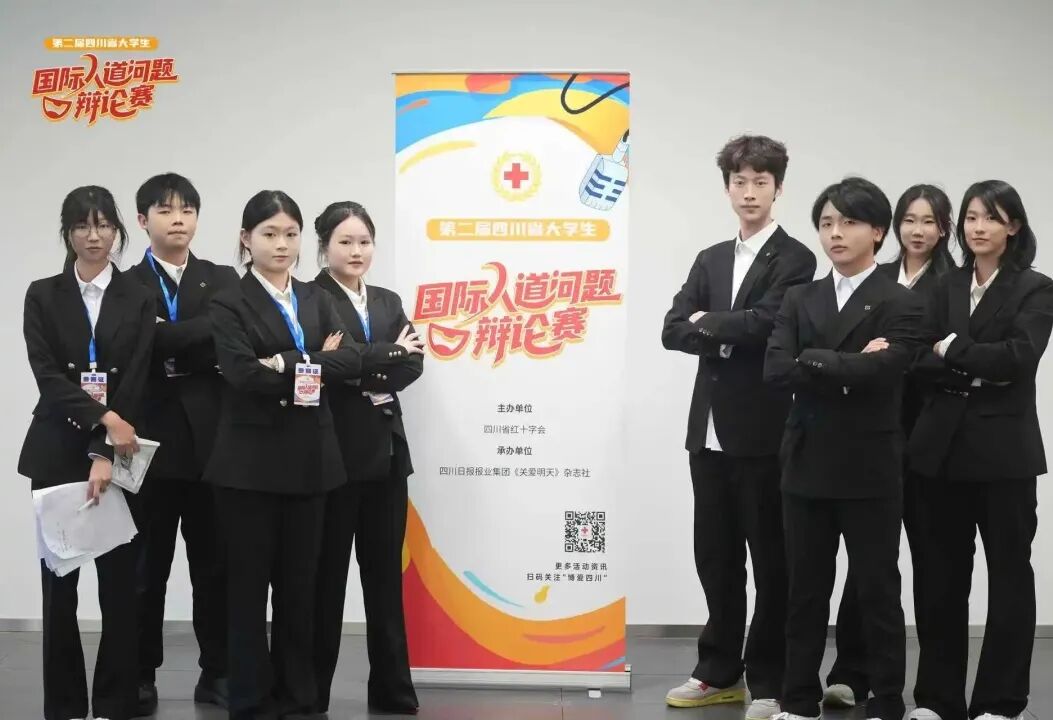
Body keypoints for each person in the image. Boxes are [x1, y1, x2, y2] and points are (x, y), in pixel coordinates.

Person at [206, 190, 423, 720]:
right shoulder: (231, 301)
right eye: (269, 234)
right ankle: (257, 699)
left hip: (331, 458)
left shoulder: (322, 298)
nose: (281, 244)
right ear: (246, 239)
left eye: (289, 234)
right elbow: (243, 374)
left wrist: (287, 362)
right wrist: (317, 363)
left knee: (306, 589)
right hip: (264, 462)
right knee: (260, 589)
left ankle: (307, 698)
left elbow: (360, 360)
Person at [661, 135, 816, 719]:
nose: (749, 192)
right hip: (708, 434)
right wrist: (725, 327)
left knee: (772, 559)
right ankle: (718, 669)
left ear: (778, 188)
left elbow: (769, 325)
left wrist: (710, 324)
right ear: (727, 187)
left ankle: (770, 678)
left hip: (763, 430)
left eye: (760, 182)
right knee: (715, 555)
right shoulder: (710, 258)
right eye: (739, 182)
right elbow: (672, 328)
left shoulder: (796, 258)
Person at [764, 176, 926, 720]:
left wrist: (813, 359)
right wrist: (849, 361)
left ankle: (887, 700)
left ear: (878, 231)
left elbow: (887, 371)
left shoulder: (901, 300)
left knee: (877, 590)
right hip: (806, 461)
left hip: (869, 465)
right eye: (827, 223)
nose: (835, 233)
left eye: (849, 222)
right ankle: (797, 699)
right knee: (804, 591)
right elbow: (776, 370)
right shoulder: (800, 296)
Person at [907, 181, 1053, 720]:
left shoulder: (1035, 288)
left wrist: (951, 350)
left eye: (991, 217)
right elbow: (914, 357)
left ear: (1012, 226)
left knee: (1009, 577)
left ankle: (1001, 702)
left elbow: (1017, 359)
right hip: (939, 452)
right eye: (970, 217)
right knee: (939, 580)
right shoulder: (942, 285)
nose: (978, 227)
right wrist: (969, 362)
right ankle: (936, 699)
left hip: (1003, 455)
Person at [19, 185, 155, 720]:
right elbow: (48, 375)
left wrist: (105, 448)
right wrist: (103, 418)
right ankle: (65, 705)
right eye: (81, 225)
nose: (93, 236)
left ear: (117, 230)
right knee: (60, 589)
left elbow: (138, 378)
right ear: (67, 232)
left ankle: (116, 703)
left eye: (103, 225)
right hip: (56, 448)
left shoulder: (138, 295)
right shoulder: (42, 294)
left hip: (119, 451)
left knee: (121, 587)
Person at [824, 184, 955, 709]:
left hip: (927, 437)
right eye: (909, 220)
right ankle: (851, 671)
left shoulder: (952, 284)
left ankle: (932, 691)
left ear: (944, 228)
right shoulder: (874, 277)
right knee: (867, 562)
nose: (918, 231)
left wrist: (888, 355)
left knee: (931, 563)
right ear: (891, 227)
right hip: (869, 435)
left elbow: (940, 358)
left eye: (930, 221)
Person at [129, 172, 239, 715]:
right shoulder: (126, 285)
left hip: (209, 446)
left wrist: (162, 336)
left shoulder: (222, 278)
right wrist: (201, 334)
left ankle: (218, 671)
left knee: (214, 567)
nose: (178, 219)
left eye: (187, 210)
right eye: (165, 210)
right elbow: (135, 347)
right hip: (145, 446)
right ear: (142, 219)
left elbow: (228, 338)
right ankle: (140, 674)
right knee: (145, 570)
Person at [307, 201, 422, 714]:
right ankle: (313, 694)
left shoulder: (387, 300)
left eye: (364, 242)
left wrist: (359, 362)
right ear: (324, 247)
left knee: (384, 579)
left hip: (386, 454)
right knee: (325, 581)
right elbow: (325, 367)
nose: (357, 251)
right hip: (334, 457)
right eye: (345, 242)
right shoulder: (311, 298)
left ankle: (393, 690)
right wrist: (385, 355)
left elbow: (413, 363)